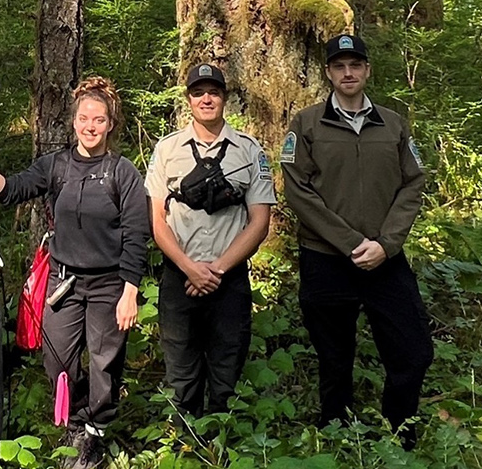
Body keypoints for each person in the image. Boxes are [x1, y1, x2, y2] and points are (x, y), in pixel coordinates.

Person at [0, 76, 149, 468]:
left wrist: (130, 291)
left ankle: (94, 433)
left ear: (111, 124)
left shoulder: (122, 172)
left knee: (105, 362)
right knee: (57, 360)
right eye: (84, 119)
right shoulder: (56, 166)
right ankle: (75, 421)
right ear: (74, 121)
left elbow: (136, 235)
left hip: (109, 283)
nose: (90, 127)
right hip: (64, 282)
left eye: (99, 120)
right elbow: (10, 190)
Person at [279, 33, 432, 449]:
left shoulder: (393, 124)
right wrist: (350, 243)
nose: (348, 73)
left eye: (356, 65)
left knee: (414, 351)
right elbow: (297, 191)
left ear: (367, 70)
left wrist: (386, 243)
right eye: (339, 66)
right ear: (329, 73)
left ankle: (400, 434)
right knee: (334, 356)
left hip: (385, 259)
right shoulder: (306, 124)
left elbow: (413, 184)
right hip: (326, 259)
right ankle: (338, 435)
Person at [145, 63, 277, 418]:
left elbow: (260, 221)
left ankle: (223, 439)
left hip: (229, 280)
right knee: (181, 375)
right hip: (179, 279)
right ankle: (186, 439)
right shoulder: (167, 149)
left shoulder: (249, 150)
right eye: (198, 92)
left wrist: (216, 270)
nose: (206, 99)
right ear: (188, 99)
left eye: (214, 92)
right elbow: (157, 220)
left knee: (226, 374)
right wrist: (190, 268)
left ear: (224, 98)